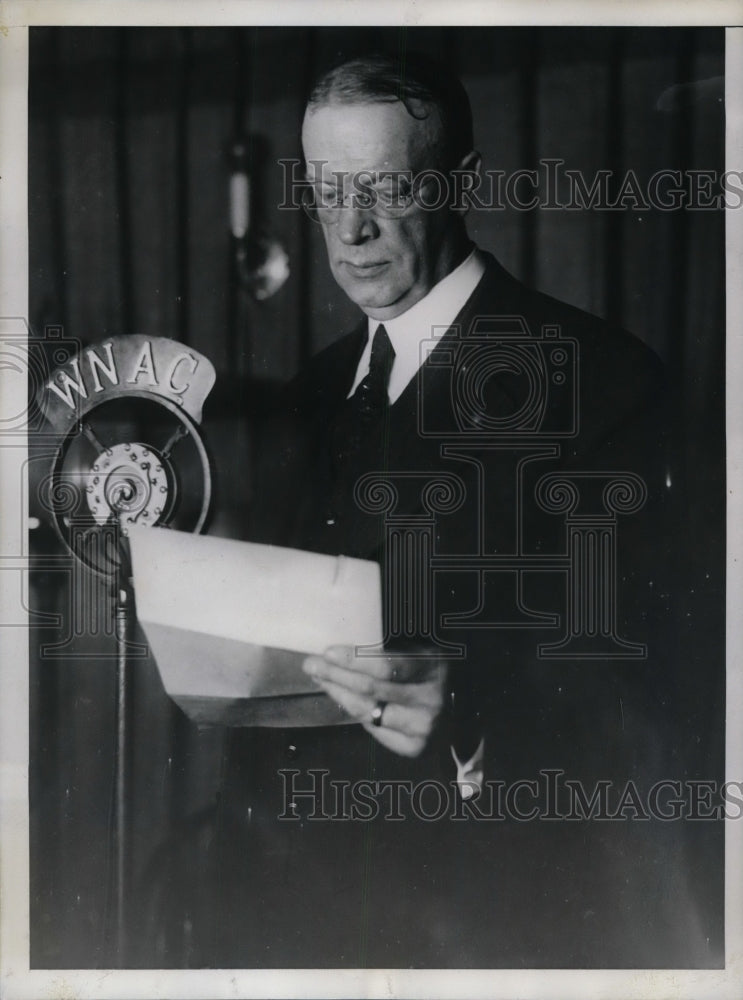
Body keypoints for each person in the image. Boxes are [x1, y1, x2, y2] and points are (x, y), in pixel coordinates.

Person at [142, 52, 722, 970]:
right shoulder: (313, 391)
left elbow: (667, 694)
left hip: (477, 930)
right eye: (328, 192)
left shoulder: (604, 380)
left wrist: (476, 711)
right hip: (279, 926)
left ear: (464, 183)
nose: (352, 228)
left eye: (386, 189)